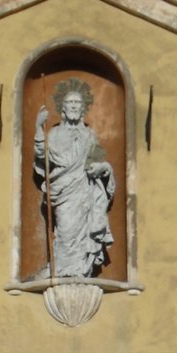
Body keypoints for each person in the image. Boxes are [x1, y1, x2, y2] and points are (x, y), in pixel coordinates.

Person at [34, 80, 115, 278]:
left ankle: (81, 269)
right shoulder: (54, 134)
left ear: (82, 108)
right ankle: (62, 269)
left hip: (85, 191)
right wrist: (38, 127)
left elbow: (98, 161)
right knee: (66, 230)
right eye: (69, 102)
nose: (73, 106)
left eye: (77, 103)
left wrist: (103, 168)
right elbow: (42, 154)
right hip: (63, 191)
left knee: (83, 234)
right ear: (62, 108)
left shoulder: (89, 135)